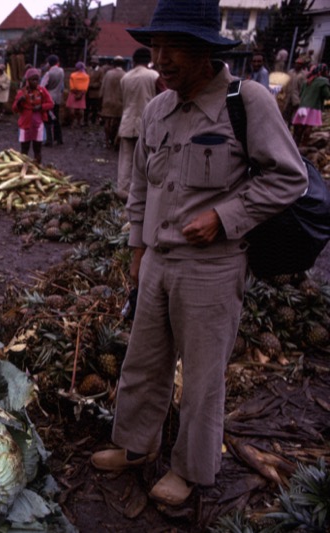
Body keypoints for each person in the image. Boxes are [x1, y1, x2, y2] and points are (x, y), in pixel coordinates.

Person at [89, 0, 307, 508]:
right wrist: (137, 249)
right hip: (159, 261)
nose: (161, 58)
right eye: (156, 47)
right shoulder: (159, 107)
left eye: (174, 48)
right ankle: (136, 446)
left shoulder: (246, 101)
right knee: (142, 363)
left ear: (206, 51)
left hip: (213, 268)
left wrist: (225, 217)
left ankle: (190, 470)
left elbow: (289, 177)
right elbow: (142, 184)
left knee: (204, 376)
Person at [116, 47, 159, 199]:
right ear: (149, 60)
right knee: (147, 160)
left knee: (126, 159)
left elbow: (124, 101)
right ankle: (144, 194)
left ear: (133, 61)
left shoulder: (125, 78)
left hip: (127, 121)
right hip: (147, 123)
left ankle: (123, 191)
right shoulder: (154, 76)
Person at [11, 68, 53, 164]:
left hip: (38, 124)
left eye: (37, 80)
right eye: (33, 80)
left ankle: (37, 167)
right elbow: (14, 109)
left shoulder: (42, 91)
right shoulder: (22, 92)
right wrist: (19, 102)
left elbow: (50, 103)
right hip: (25, 124)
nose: (35, 82)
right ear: (28, 81)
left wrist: (41, 107)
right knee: (24, 149)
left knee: (37, 149)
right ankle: (23, 168)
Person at [291, 62, 330, 146]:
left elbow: (301, 93)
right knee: (308, 127)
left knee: (299, 127)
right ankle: (303, 145)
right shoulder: (323, 81)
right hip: (313, 107)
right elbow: (327, 95)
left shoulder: (308, 80)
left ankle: (295, 143)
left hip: (302, 106)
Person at [100, 56, 125, 147]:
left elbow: (103, 87)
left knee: (107, 121)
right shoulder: (125, 74)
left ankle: (107, 141)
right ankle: (114, 140)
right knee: (117, 122)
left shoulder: (108, 74)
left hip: (107, 100)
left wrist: (101, 97)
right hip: (119, 102)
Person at [41, 55, 64, 145]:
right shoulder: (61, 71)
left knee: (47, 119)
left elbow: (42, 87)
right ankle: (59, 138)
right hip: (58, 97)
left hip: (49, 98)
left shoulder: (48, 73)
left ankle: (49, 140)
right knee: (56, 118)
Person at [282, 56, 308, 124]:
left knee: (294, 115)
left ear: (302, 65)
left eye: (299, 64)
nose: (297, 65)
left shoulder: (304, 75)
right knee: (286, 113)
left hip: (296, 98)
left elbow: (304, 87)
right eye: (296, 63)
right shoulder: (290, 72)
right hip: (288, 96)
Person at [65, 61, 90, 128]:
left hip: (73, 93)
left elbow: (71, 86)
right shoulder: (86, 76)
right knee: (80, 110)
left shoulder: (72, 75)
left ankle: (72, 123)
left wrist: (75, 93)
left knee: (72, 110)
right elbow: (85, 87)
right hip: (82, 94)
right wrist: (81, 94)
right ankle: (79, 123)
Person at [86, 58, 105, 126]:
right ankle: (86, 121)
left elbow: (101, 82)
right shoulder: (88, 69)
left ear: (97, 63)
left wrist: (92, 85)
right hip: (87, 92)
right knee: (86, 108)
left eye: (94, 63)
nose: (93, 64)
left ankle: (93, 121)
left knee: (94, 108)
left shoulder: (100, 71)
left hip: (95, 93)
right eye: (92, 63)